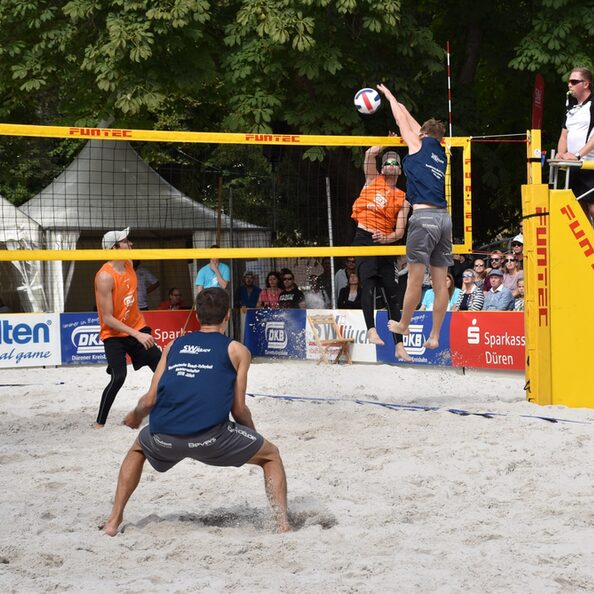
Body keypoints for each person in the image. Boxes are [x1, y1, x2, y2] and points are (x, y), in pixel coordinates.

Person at [101, 288, 290, 536]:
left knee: (138, 448)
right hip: (212, 438)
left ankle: (113, 521)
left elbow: (149, 399)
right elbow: (238, 408)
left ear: (198, 317)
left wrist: (136, 415)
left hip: (163, 438)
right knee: (271, 455)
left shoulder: (173, 345)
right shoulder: (237, 350)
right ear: (227, 317)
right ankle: (282, 525)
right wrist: (252, 437)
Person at [378, 83, 453, 349]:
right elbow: (412, 121)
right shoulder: (440, 152)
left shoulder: (416, 146)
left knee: (415, 278)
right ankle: (434, 336)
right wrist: (401, 105)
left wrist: (389, 96)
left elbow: (402, 119)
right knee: (440, 282)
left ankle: (404, 325)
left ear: (421, 134)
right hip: (445, 220)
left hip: (424, 219)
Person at [95, 228, 162, 427]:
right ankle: (100, 424)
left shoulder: (129, 264)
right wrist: (136, 335)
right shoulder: (104, 277)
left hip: (136, 327)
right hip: (114, 334)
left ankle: (175, 412)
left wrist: (139, 332)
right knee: (118, 377)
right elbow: (107, 318)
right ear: (114, 248)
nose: (131, 244)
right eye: (125, 241)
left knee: (162, 370)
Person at [351, 141, 411, 361]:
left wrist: (387, 238)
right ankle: (371, 329)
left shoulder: (404, 199)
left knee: (392, 292)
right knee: (368, 285)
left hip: (385, 242)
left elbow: (399, 232)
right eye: (388, 162)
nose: (392, 165)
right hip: (364, 238)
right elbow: (369, 153)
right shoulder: (372, 179)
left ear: (400, 170)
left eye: (396, 162)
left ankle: (399, 346)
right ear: (383, 168)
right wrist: (389, 142)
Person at [556, 67, 594, 199]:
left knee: (592, 208)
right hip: (573, 166)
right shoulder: (571, 107)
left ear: (585, 84)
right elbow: (563, 135)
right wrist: (561, 153)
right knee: (577, 209)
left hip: (590, 165)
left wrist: (578, 155)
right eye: (569, 81)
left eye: (573, 81)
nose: (569, 84)